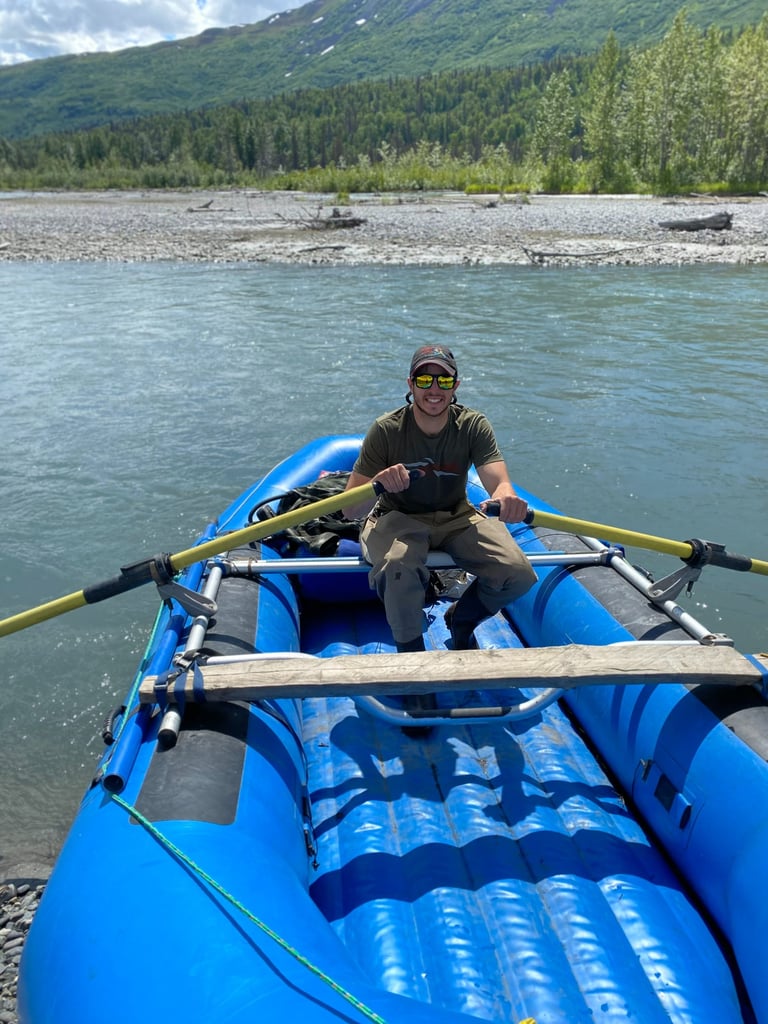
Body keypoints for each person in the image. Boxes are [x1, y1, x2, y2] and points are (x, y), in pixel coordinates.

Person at [343, 344, 537, 654]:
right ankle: (412, 656)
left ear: (455, 386)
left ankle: (462, 618)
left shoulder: (473, 425)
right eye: (424, 380)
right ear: (410, 384)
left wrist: (506, 497)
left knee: (517, 573)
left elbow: (498, 481)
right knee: (397, 566)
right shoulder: (386, 430)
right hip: (398, 517)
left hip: (456, 515)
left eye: (444, 381)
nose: (434, 389)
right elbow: (350, 509)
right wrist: (378, 484)